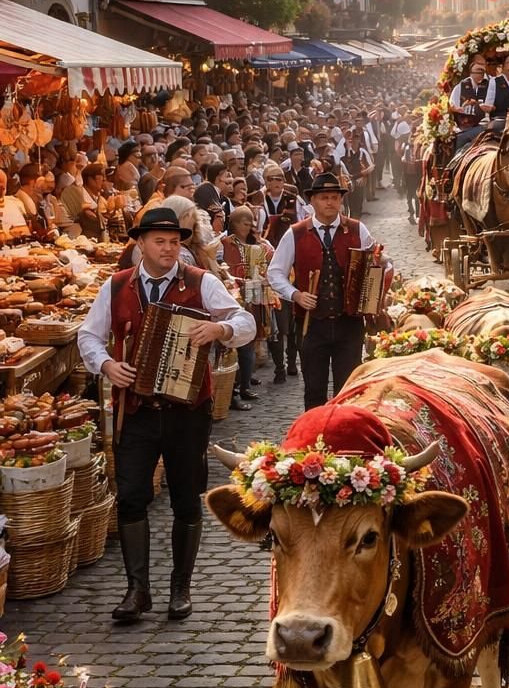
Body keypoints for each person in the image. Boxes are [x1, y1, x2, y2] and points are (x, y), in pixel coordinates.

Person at [78, 205, 257, 623]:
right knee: (132, 496)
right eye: (159, 241)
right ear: (139, 244)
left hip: (187, 411)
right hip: (136, 411)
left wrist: (221, 329)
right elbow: (89, 336)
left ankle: (180, 587)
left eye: (175, 242)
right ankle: (137, 590)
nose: (168, 248)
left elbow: (244, 319)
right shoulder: (116, 285)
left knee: (185, 497)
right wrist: (106, 365)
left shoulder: (201, 281)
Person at [268, 171, 384, 409]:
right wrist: (296, 295)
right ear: (313, 201)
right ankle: (315, 440)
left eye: (334, 197)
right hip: (312, 326)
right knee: (314, 390)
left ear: (341, 201)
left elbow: (379, 261)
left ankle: (346, 438)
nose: (330, 202)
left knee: (348, 390)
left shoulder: (357, 229)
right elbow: (275, 272)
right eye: (324, 198)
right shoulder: (296, 233)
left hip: (348, 323)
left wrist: (378, 267)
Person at [222, 206, 275, 407]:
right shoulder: (225, 244)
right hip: (235, 300)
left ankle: (245, 385)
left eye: (251, 224)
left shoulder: (255, 244)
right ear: (235, 224)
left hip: (254, 297)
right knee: (237, 346)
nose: (249, 228)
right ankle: (235, 389)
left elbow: (269, 258)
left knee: (250, 343)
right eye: (245, 224)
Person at [449, 59, 494, 149]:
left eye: (482, 71)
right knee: (459, 139)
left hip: (486, 125)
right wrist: (457, 109)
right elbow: (451, 107)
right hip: (465, 127)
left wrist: (491, 108)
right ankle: (455, 161)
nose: (480, 73)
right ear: (471, 73)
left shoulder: (492, 84)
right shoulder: (460, 87)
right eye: (477, 71)